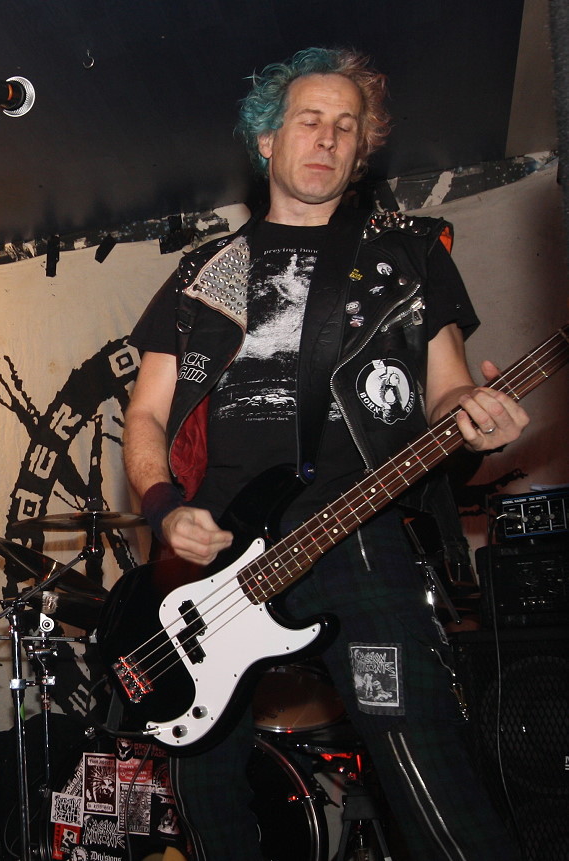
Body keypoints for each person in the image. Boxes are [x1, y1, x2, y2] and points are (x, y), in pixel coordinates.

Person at [122, 48, 527, 859]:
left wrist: (472, 414)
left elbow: (447, 388)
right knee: (207, 794)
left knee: (427, 766)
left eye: (348, 126)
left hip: (362, 538)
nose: (329, 138)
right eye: (309, 120)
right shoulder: (204, 273)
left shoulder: (409, 255)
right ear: (267, 140)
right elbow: (146, 416)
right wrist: (165, 510)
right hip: (221, 560)